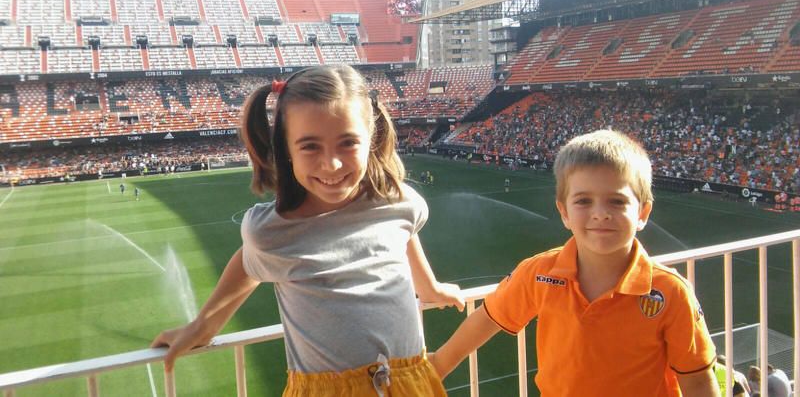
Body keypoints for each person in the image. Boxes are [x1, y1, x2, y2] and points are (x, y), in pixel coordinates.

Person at [151, 65, 463, 396]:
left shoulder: (399, 201)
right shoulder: (271, 231)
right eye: (310, 147)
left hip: (410, 384)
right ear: (286, 149)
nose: (331, 164)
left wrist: (428, 288)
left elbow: (402, 232)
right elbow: (247, 263)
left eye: (348, 143)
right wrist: (204, 325)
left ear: (371, 138)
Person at [430, 130, 719, 397]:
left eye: (617, 202)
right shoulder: (539, 273)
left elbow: (696, 379)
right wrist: (438, 366)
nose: (600, 214)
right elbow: (489, 316)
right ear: (563, 212)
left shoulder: (670, 292)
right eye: (583, 201)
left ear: (643, 213)